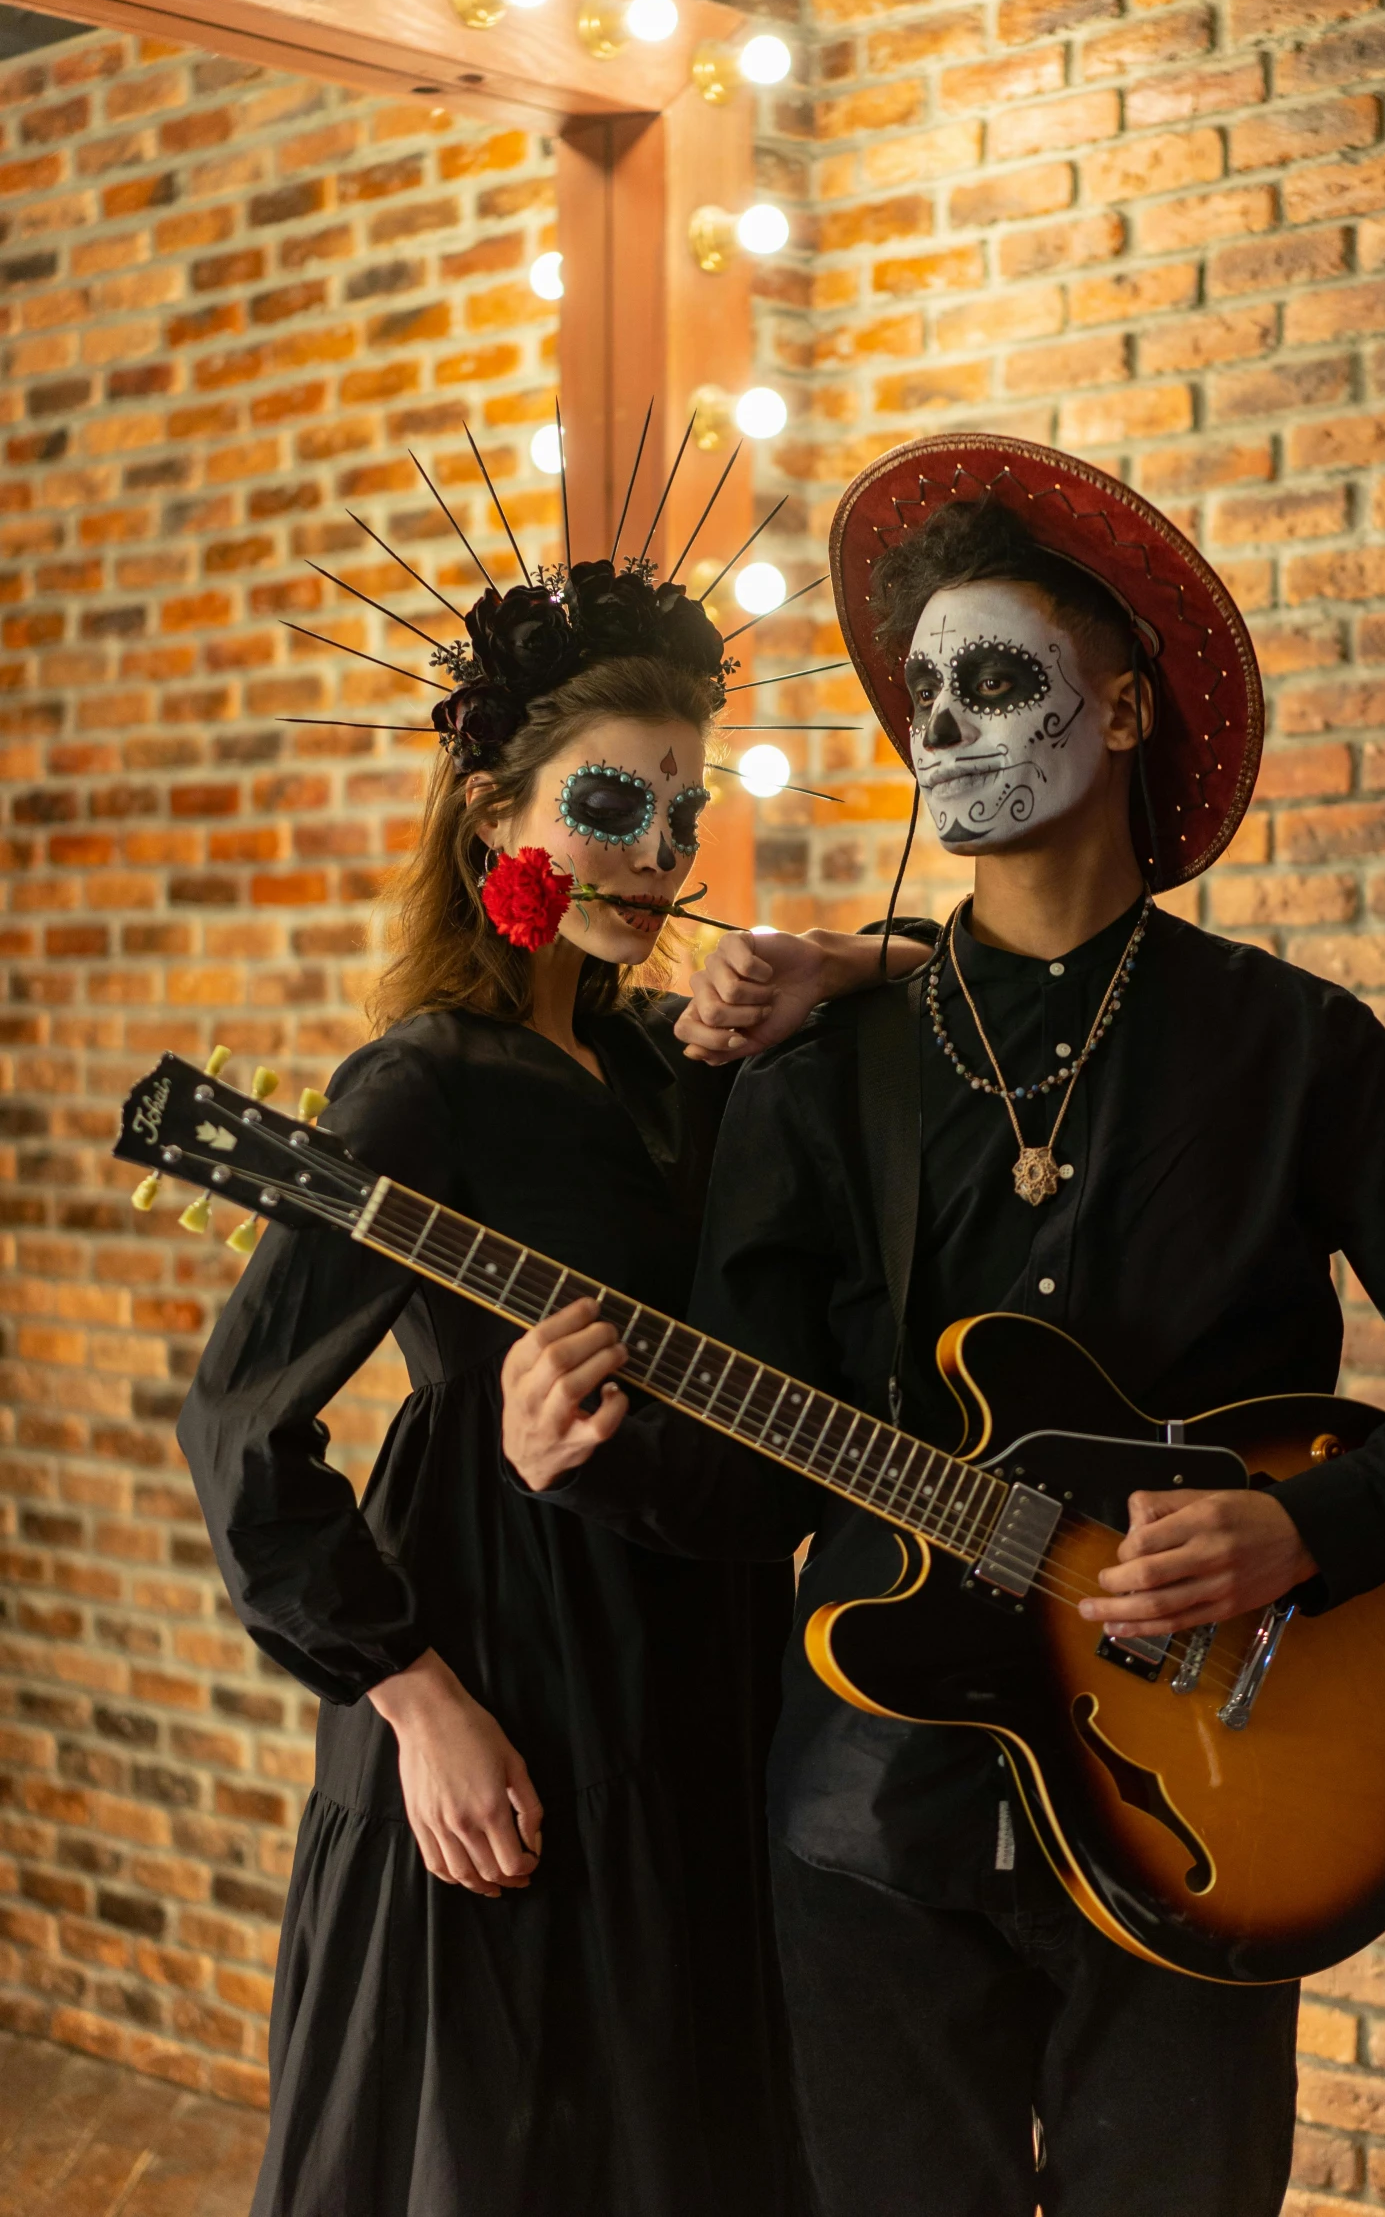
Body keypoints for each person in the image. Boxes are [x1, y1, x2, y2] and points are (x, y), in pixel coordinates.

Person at [501, 431, 1385, 2217]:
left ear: (1128, 713)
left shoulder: (1288, 1049)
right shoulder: (816, 1066)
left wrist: (1308, 1524)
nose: (945, 727)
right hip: (870, 1820)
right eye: (920, 692)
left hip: (1203, 1817)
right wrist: (585, 1456)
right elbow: (755, 1482)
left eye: (999, 678)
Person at [175, 519, 915, 2217]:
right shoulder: (417, 1088)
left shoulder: (681, 1065)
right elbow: (241, 1429)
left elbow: (985, 998)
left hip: (694, 1645)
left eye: (680, 809)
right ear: (494, 820)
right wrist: (416, 1706)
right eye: (607, 805)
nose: (654, 852)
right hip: (498, 1640)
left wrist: (843, 962)